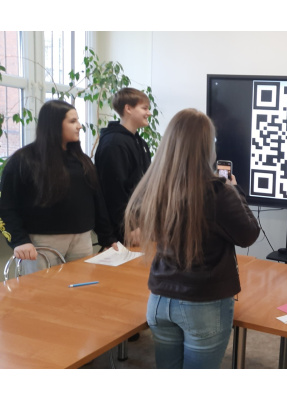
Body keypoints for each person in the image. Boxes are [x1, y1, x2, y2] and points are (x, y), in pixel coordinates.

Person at [124, 108, 260, 369]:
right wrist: (235, 190)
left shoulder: (154, 186)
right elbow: (248, 234)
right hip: (203, 303)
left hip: (159, 300)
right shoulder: (219, 192)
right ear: (206, 147)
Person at [0, 100, 117, 274]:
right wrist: (19, 241)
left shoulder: (82, 160)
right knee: (41, 290)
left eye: (78, 120)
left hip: (82, 240)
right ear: (54, 124)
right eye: (72, 121)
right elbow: (6, 206)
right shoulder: (23, 160)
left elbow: (97, 201)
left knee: (82, 288)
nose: (79, 126)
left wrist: (108, 238)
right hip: (41, 244)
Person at [94, 88, 152, 244]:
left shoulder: (139, 142)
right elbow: (114, 192)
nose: (149, 113)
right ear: (128, 109)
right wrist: (129, 227)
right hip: (126, 230)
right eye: (144, 108)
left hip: (141, 224)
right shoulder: (114, 144)